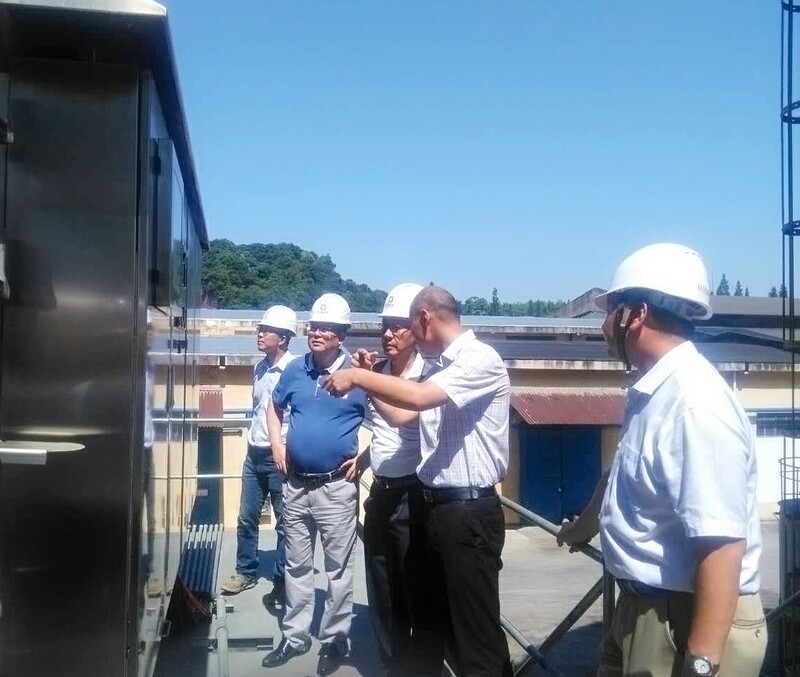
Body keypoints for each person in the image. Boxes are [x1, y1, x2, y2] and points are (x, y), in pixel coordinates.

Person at [557, 243, 767, 677]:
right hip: (643, 608)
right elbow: (622, 481)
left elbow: (721, 543)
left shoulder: (695, 404)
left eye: (609, 312)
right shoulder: (654, 392)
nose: (602, 326)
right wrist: (580, 529)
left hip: (686, 618)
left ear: (635, 315)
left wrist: (701, 663)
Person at [324, 285, 513, 677]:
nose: (397, 334)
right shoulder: (441, 367)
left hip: (467, 512)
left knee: (474, 637)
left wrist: (357, 376)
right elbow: (402, 416)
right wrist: (370, 380)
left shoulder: (478, 359)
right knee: (430, 624)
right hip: (435, 508)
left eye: (406, 325)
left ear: (425, 319)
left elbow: (418, 398)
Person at [262, 293, 368, 676]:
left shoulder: (359, 373)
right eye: (314, 326)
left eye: (326, 328)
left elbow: (393, 424)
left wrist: (366, 459)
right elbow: (274, 407)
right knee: (296, 565)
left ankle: (335, 639)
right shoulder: (295, 370)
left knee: (338, 569)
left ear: (342, 335)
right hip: (295, 485)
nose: (317, 333)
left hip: (336, 487)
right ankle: (295, 636)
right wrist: (276, 444)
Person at [360, 282, 426, 676]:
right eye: (384, 325)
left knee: (410, 582)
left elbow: (402, 417)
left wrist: (364, 381)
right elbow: (382, 432)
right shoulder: (380, 372)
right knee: (380, 578)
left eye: (398, 326)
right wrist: (363, 459)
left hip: (411, 494)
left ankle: (415, 662)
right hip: (381, 490)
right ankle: (391, 661)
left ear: (417, 329)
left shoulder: (426, 376)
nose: (388, 334)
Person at [220, 304, 297, 610]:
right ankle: (246, 572)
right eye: (260, 329)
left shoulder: (295, 371)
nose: (260, 334)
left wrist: (284, 448)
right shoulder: (259, 368)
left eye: (266, 331)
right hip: (254, 454)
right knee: (246, 516)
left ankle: (281, 579)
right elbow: (257, 411)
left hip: (280, 457)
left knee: (285, 523)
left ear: (284, 338)